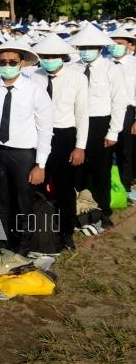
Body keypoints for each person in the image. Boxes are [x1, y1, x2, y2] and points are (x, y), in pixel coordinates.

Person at [0, 41, 53, 254]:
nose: (7, 65)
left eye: (12, 62)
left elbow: (45, 129)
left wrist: (41, 164)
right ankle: (2, 241)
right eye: (2, 62)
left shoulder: (35, 91)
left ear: (22, 63)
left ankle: (23, 244)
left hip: (23, 154)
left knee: (23, 201)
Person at [31, 34, 88, 250]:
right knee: (37, 183)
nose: (48, 59)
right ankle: (40, 227)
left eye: (53, 56)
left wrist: (80, 146)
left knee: (64, 187)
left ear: (62, 57)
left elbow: (82, 113)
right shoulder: (35, 76)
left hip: (64, 135)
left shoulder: (77, 78)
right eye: (45, 56)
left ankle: (67, 231)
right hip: (37, 134)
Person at [68, 24, 128, 229]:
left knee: (100, 169)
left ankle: (103, 210)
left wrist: (113, 131)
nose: (85, 51)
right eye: (82, 47)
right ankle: (78, 207)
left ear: (100, 48)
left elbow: (119, 101)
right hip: (76, 121)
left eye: (90, 47)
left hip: (99, 123)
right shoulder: (73, 68)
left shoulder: (111, 69)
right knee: (77, 167)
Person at [108, 27, 136, 192]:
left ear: (128, 45)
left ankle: (125, 185)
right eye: (113, 43)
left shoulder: (134, 64)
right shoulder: (106, 63)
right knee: (106, 149)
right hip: (107, 109)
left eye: (119, 43)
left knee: (125, 151)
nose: (115, 46)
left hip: (127, 110)